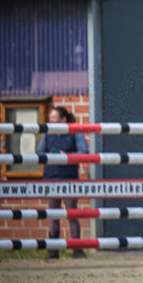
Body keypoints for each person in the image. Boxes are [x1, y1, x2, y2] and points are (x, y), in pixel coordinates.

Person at [37, 106, 89, 259]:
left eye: (54, 117)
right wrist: (51, 155)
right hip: (51, 178)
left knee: (72, 213)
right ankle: (53, 250)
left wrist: (66, 155)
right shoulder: (47, 133)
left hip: (69, 178)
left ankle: (77, 249)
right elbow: (39, 152)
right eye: (50, 117)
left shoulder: (75, 132)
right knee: (53, 214)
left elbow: (84, 152)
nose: (51, 120)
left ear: (63, 119)